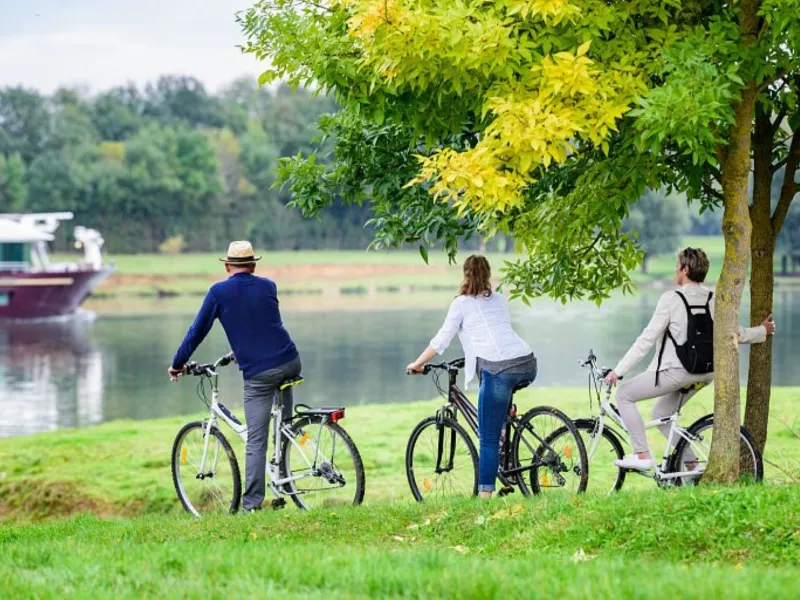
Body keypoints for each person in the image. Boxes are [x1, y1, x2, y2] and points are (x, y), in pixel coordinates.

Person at [603, 247, 776, 471]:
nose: (675, 271)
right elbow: (735, 332)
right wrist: (762, 331)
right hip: (705, 373)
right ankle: (692, 464)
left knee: (624, 394)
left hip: (676, 372)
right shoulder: (713, 298)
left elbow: (646, 339)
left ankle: (642, 455)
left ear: (685, 269)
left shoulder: (671, 299)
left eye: (677, 267)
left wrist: (619, 371)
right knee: (661, 414)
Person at [168, 241, 300, 512]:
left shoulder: (218, 292)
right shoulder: (268, 285)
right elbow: (265, 324)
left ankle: (251, 506)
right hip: (290, 361)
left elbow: (196, 332)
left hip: (260, 374)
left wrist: (177, 363)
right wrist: (240, 349)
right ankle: (286, 482)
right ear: (253, 265)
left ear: (227, 266)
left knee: (256, 440)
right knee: (282, 426)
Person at [406, 255, 537, 499]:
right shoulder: (499, 299)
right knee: (499, 417)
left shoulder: (461, 303)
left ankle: (484, 499)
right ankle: (508, 461)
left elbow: (441, 341)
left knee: (486, 439)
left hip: (498, 368)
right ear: (488, 274)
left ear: (465, 275)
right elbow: (498, 333)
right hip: (527, 362)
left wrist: (417, 364)